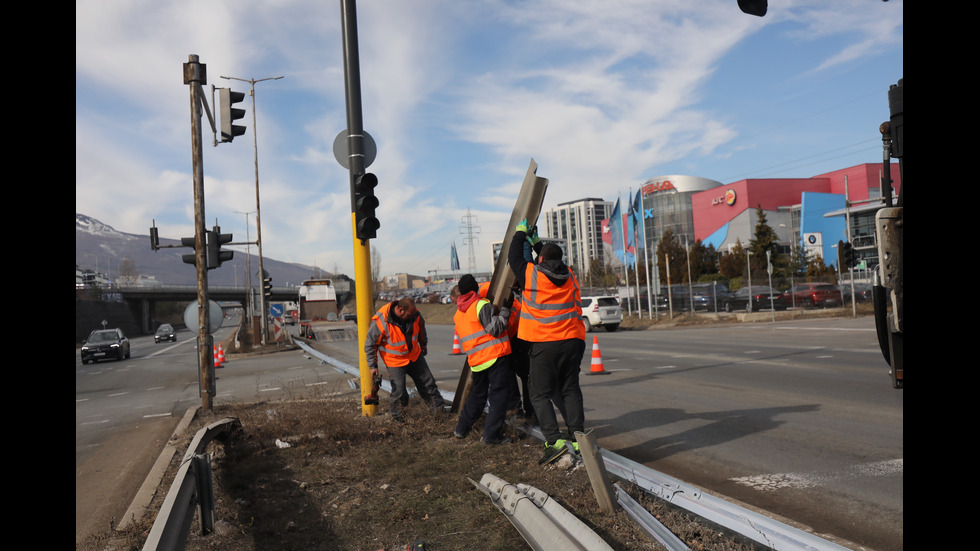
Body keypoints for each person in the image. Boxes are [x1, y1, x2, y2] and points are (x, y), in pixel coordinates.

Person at [508, 220, 587, 464]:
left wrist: (520, 234)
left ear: (539, 259)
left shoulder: (532, 274)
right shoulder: (570, 274)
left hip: (545, 343)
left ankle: (554, 442)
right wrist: (536, 244)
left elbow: (513, 257)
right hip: (573, 340)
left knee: (539, 394)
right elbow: (551, 259)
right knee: (570, 389)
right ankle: (577, 439)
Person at [452, 275, 515, 445]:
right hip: (494, 356)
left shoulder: (458, 313)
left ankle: (461, 429)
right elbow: (495, 329)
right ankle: (491, 435)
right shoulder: (480, 305)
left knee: (476, 397)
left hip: (477, 361)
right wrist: (506, 310)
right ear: (474, 289)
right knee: (498, 397)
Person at [365, 297, 445, 421]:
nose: (413, 316)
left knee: (428, 383)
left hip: (414, 355)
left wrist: (423, 344)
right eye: (410, 314)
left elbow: (421, 326)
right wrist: (373, 366)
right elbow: (370, 344)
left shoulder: (415, 314)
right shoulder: (381, 321)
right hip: (395, 360)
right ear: (401, 310)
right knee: (399, 391)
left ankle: (438, 411)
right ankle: (399, 418)